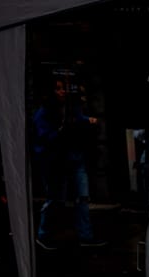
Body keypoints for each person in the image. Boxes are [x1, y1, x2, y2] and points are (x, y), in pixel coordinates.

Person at [33, 77, 106, 250]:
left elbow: (78, 120)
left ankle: (85, 236)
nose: (62, 91)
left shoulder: (70, 107)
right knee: (56, 199)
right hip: (57, 160)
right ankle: (44, 234)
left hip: (73, 156)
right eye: (58, 88)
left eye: (63, 88)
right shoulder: (45, 113)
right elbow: (45, 138)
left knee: (82, 197)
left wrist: (87, 121)